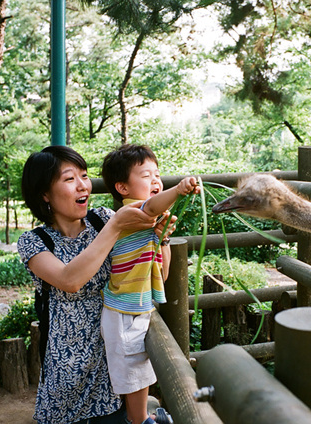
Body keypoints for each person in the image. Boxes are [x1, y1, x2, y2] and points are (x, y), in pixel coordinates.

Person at [17, 145, 176, 424]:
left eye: (85, 176)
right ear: (45, 194)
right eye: (70, 179)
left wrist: (159, 240)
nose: (83, 187)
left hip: (113, 361)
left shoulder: (102, 218)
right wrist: (115, 228)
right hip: (68, 366)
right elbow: (70, 280)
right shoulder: (34, 242)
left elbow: (158, 275)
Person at [100, 144, 199, 424]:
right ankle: (140, 420)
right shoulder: (131, 213)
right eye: (146, 176)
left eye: (158, 174)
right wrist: (178, 190)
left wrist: (163, 239)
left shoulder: (148, 221)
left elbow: (162, 272)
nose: (156, 180)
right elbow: (153, 205)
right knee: (134, 373)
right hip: (124, 311)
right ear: (123, 188)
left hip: (136, 306)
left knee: (138, 369)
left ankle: (139, 417)